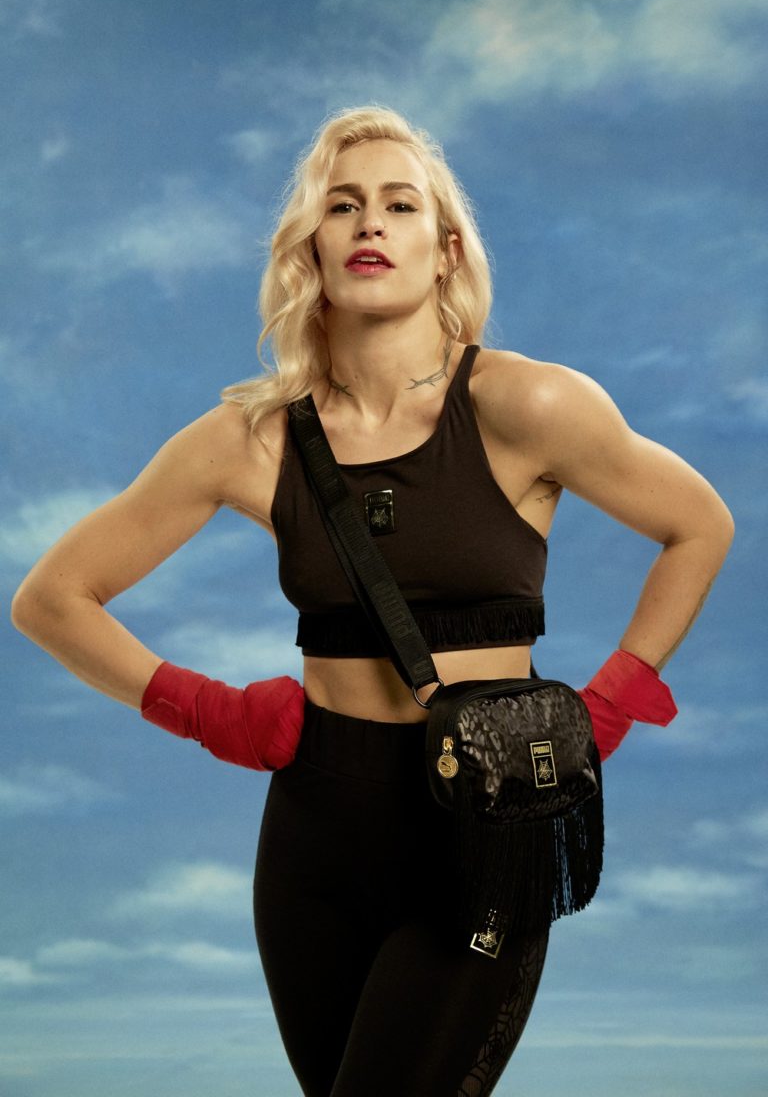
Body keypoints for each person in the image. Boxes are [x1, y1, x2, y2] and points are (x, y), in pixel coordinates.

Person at [11, 106, 734, 1096]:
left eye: (399, 205)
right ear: (311, 244)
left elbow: (699, 526)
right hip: (316, 829)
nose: (369, 225)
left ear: (446, 251)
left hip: (485, 823)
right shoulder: (253, 439)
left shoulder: (527, 406)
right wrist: (209, 712)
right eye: (342, 205)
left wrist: (612, 701)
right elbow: (53, 597)